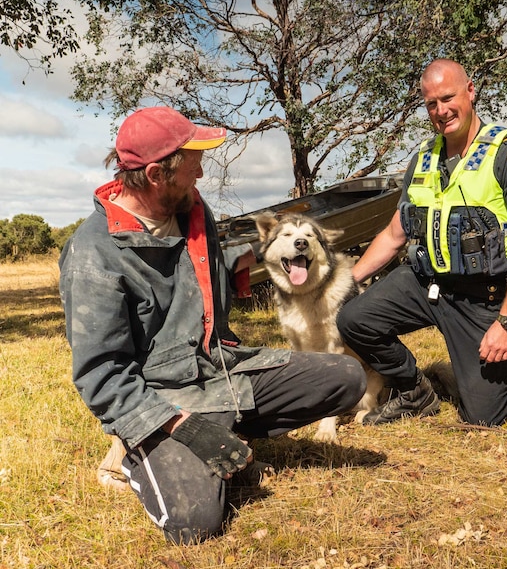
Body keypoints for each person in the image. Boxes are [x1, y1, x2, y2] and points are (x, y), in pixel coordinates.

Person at [58, 106, 366, 545]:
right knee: (195, 524)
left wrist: (242, 257)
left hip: (218, 369)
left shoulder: (190, 208)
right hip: (161, 396)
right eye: (192, 164)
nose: (201, 173)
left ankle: (222, 428)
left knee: (345, 377)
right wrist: (183, 427)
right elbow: (102, 375)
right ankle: (130, 456)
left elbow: (197, 273)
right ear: (154, 175)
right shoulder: (93, 255)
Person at [336, 58, 507, 427]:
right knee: (353, 319)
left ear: (470, 91)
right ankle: (413, 388)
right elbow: (393, 234)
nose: (441, 110)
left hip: (485, 296)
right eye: (431, 103)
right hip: (425, 282)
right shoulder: (422, 158)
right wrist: (346, 284)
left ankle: (496, 368)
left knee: (482, 418)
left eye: (448, 97)